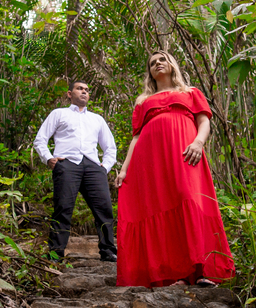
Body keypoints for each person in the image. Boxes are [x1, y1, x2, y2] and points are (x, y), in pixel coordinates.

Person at [114, 50, 235, 288]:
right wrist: (124, 169)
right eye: (153, 63)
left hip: (185, 152)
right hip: (150, 160)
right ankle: (175, 273)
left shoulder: (190, 92)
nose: (158, 64)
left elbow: (204, 121)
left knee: (189, 198)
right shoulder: (143, 101)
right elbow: (136, 137)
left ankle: (201, 270)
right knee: (161, 207)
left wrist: (198, 143)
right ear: (150, 72)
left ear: (172, 65)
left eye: (162, 59)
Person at [34, 80, 118, 262]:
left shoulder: (97, 119)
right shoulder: (59, 114)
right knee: (63, 208)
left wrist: (104, 167)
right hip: (66, 164)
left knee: (104, 209)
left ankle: (108, 250)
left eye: (87, 90)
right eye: (79, 89)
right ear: (69, 94)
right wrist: (48, 158)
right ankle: (56, 253)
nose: (84, 92)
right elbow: (40, 139)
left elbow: (110, 147)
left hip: (93, 167)